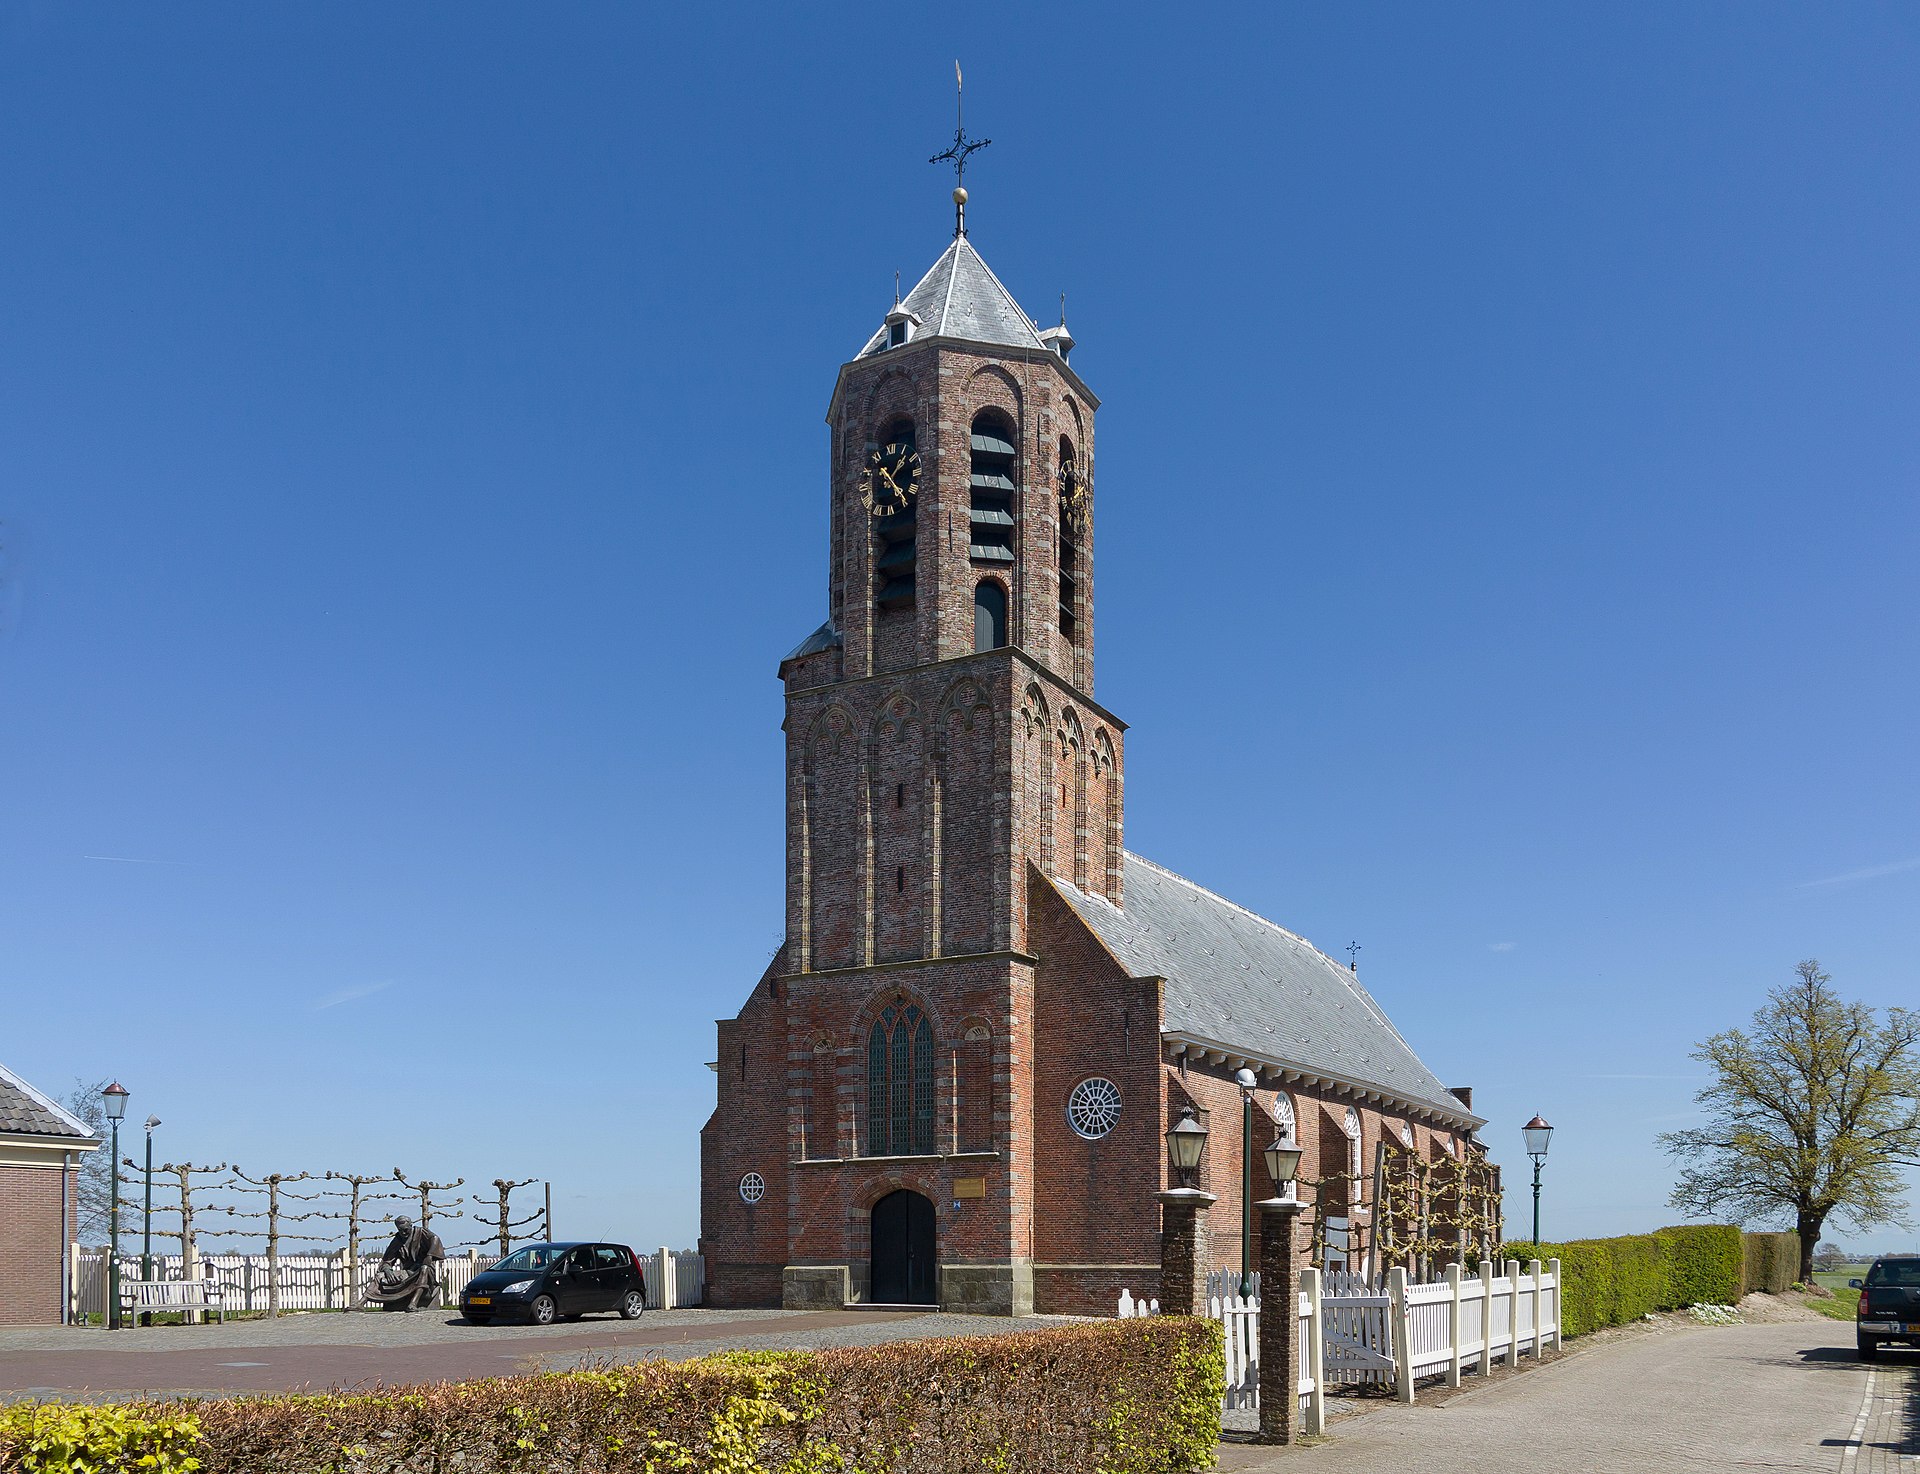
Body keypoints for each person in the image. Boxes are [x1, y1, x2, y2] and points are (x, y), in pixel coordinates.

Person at [376, 1213, 445, 1312]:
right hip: (408, 1272)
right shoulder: (398, 1241)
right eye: (400, 1230)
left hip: (425, 1271)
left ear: (410, 1226)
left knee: (424, 1269)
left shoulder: (421, 1232)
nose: (403, 1233)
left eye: (405, 1230)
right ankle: (361, 1302)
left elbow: (435, 1238)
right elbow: (387, 1261)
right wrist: (387, 1270)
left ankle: (413, 1303)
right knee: (380, 1276)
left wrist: (429, 1256)